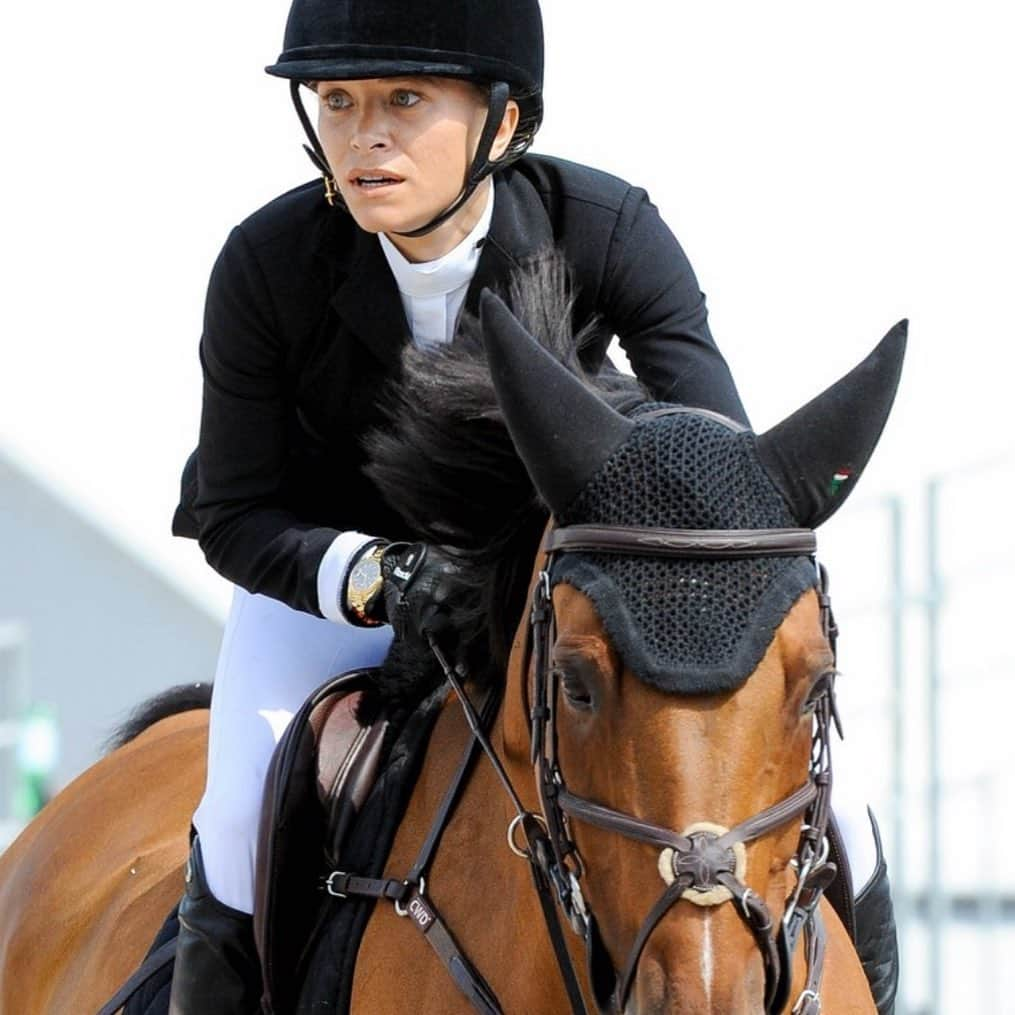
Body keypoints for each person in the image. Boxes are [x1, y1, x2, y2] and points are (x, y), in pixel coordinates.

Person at [167, 1, 898, 1011]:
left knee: (847, 802)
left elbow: (713, 467)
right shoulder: (268, 263)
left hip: (557, 587)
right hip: (328, 590)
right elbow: (233, 510)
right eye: (336, 101)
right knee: (241, 810)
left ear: (503, 125)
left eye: (404, 100)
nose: (362, 134)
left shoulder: (604, 228)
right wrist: (370, 574)